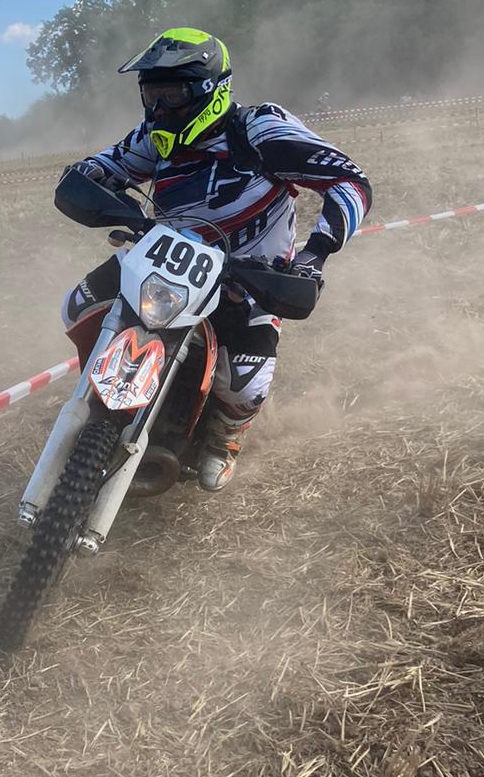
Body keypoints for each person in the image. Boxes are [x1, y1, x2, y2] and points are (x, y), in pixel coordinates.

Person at [57, 28, 373, 491]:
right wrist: (90, 176)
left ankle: (225, 437)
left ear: (209, 89)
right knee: (77, 307)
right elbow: (109, 164)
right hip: (164, 259)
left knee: (245, 384)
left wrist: (314, 256)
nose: (160, 108)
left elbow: (350, 182)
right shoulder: (155, 136)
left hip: (247, 274)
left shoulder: (259, 128)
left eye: (172, 95)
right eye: (152, 95)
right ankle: (104, 393)